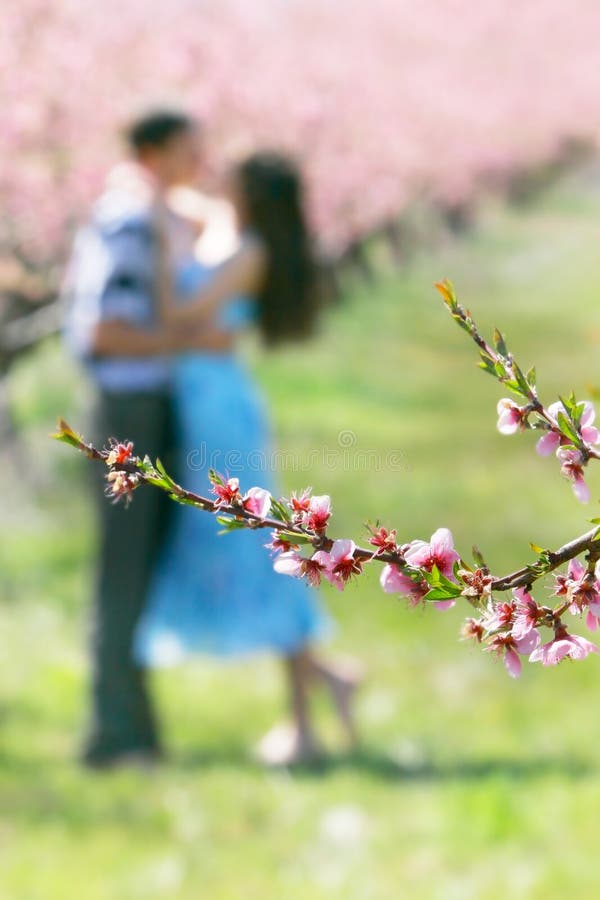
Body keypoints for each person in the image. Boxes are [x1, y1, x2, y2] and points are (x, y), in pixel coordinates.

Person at [134, 153, 361, 765]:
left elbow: (179, 314)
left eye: (230, 173)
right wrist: (150, 188)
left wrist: (156, 256)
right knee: (241, 546)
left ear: (250, 190)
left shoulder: (250, 249)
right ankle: (330, 682)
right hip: (198, 398)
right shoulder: (228, 229)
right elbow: (182, 205)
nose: (217, 176)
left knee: (261, 549)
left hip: (219, 412)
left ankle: (303, 727)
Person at [64, 109, 231, 769]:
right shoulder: (129, 219)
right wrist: (191, 339)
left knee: (137, 566)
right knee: (125, 567)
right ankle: (112, 733)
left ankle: (135, 731)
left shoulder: (147, 213)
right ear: (154, 150)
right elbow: (103, 328)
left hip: (147, 405)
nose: (201, 156)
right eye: (191, 145)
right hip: (129, 408)